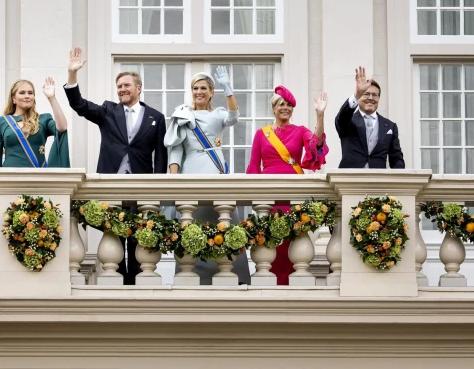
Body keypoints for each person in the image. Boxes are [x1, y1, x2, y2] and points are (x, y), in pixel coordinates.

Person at [63, 46, 168, 285]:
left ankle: (138, 282)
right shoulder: (108, 111)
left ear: (138, 88)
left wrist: (159, 188)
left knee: (139, 236)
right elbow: (79, 104)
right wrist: (72, 75)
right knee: (115, 232)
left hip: (141, 186)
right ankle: (118, 280)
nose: (122, 89)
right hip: (111, 183)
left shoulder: (156, 117)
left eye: (126, 85)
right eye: (119, 86)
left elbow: (160, 156)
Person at [164, 67, 249, 285]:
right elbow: (175, 149)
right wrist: (174, 179)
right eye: (195, 88)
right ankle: (193, 275)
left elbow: (234, 116)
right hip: (191, 171)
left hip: (215, 171)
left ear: (211, 91)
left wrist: (227, 87)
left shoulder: (218, 113)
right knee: (191, 224)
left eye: (203, 88)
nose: (198, 92)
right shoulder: (183, 113)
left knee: (223, 222)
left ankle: (231, 274)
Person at [246, 86, 328, 285]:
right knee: (270, 238)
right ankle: (268, 284)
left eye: (289, 105)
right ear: (273, 108)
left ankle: (290, 283)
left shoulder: (300, 131)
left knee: (293, 238)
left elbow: (316, 143)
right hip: (268, 193)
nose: (285, 108)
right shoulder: (261, 134)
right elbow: (253, 166)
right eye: (281, 104)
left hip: (293, 191)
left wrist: (319, 115)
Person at [0, 77, 69, 168]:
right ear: (13, 99)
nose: (27, 96)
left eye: (30, 93)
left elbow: (62, 128)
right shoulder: (2, 121)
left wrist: (51, 98)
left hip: (38, 177)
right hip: (10, 177)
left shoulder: (44, 119)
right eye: (22, 93)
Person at [335, 66, 404, 169]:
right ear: (360, 97)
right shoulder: (348, 121)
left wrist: (399, 180)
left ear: (379, 98)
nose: (371, 98)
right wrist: (357, 95)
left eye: (375, 95)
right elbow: (342, 117)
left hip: (378, 181)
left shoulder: (390, 126)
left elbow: (396, 158)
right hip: (350, 180)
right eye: (366, 94)